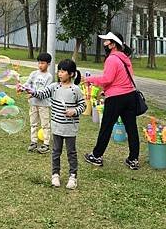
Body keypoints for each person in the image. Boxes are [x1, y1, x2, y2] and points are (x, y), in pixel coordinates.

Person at [24, 59, 86, 190]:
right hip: (57, 127)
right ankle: (55, 174)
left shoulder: (76, 90)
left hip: (70, 129)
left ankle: (73, 176)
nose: (60, 74)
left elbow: (83, 106)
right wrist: (29, 90)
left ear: (71, 74)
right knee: (56, 152)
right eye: (59, 71)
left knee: (71, 153)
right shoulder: (54, 87)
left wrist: (74, 111)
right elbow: (42, 94)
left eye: (63, 71)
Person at [83, 32, 141, 170]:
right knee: (131, 128)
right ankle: (133, 159)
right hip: (130, 96)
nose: (104, 44)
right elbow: (123, 78)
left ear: (113, 44)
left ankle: (96, 156)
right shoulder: (124, 59)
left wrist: (90, 79)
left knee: (106, 127)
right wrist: (107, 89)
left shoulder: (111, 59)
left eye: (106, 42)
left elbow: (107, 79)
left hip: (116, 99)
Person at [22, 52, 54, 154]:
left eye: (43, 63)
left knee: (45, 124)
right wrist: (22, 88)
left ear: (48, 64)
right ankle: (33, 141)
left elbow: (44, 91)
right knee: (33, 123)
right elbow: (27, 84)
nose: (40, 65)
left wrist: (32, 93)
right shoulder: (33, 74)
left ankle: (46, 143)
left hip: (44, 104)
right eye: (39, 63)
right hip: (33, 103)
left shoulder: (49, 76)